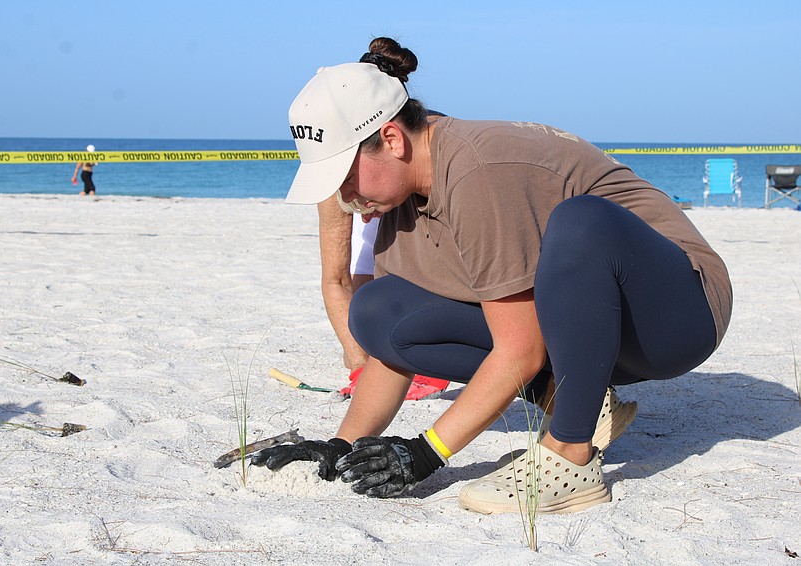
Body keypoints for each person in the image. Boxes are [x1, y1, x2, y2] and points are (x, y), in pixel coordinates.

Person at [253, 37, 732, 515]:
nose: (343, 197)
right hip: (588, 329)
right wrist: (344, 445)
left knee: (579, 221)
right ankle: (572, 395)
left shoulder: (477, 168)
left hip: (676, 314)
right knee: (378, 311)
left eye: (344, 176)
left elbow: (519, 348)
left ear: (392, 139)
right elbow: (390, 352)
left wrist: (426, 453)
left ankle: (570, 455)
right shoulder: (395, 197)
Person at [318, 148, 449, 401]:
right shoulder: (329, 176)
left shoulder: (415, 157)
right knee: (361, 342)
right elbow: (335, 279)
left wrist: (434, 367)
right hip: (380, 205)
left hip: (416, 205)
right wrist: (360, 370)